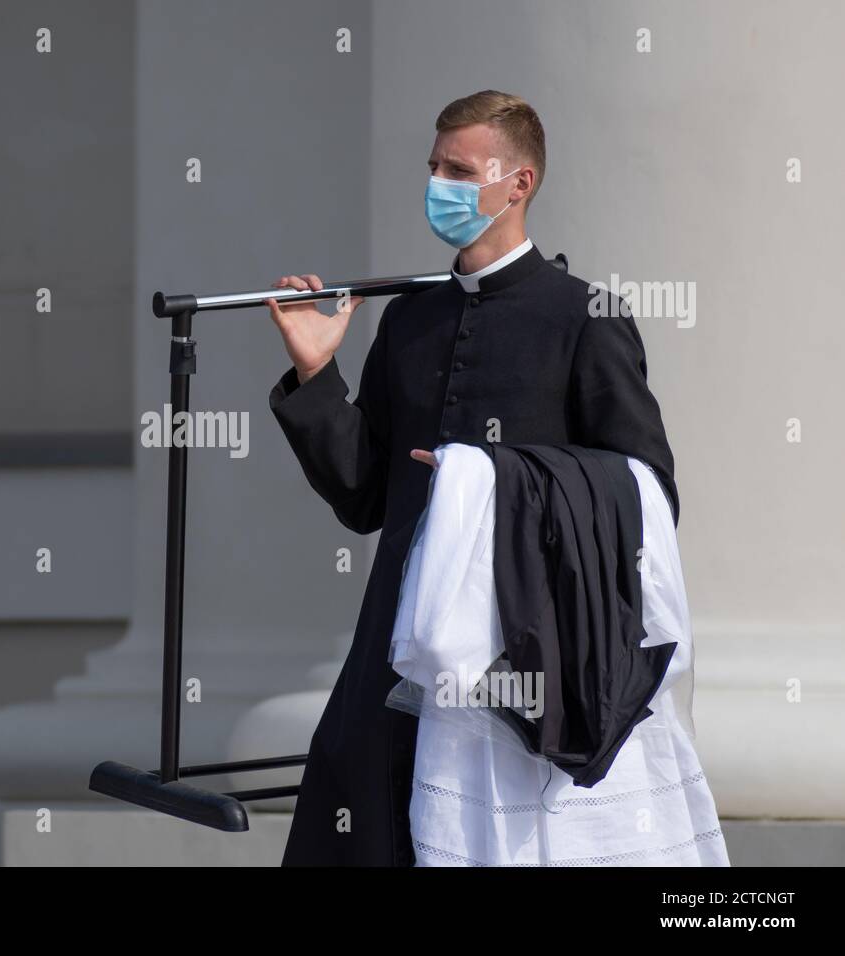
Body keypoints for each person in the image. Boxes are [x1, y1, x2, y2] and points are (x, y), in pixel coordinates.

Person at [266, 89, 679, 866]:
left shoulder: (585, 316)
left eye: (459, 170)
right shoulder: (409, 318)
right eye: (432, 167)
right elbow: (363, 496)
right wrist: (317, 374)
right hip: (396, 640)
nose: (438, 186)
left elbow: (645, 495)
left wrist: (496, 481)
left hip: (518, 653)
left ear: (518, 184)